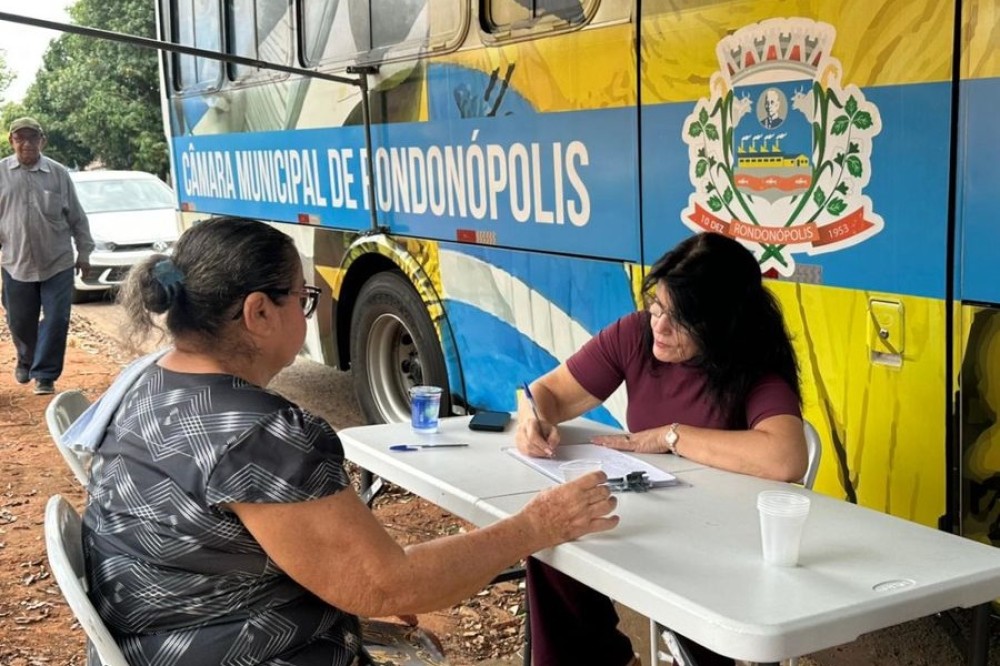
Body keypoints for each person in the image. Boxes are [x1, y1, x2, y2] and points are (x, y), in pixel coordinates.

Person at [80, 216, 619, 665]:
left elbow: (352, 574)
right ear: (258, 312)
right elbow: (388, 585)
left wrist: (363, 582)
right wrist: (536, 526)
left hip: (158, 637)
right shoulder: (263, 433)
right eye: (302, 297)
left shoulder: (147, 381)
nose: (307, 312)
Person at [515, 231, 807, 666]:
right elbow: (549, 392)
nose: (660, 325)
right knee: (553, 546)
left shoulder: (752, 366)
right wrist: (531, 415)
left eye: (679, 318)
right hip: (649, 515)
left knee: (687, 605)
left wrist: (672, 436)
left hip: (722, 542)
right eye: (657, 306)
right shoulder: (635, 336)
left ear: (719, 321)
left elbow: (785, 458)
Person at [0, 116, 93, 395]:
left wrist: (85, 252)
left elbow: (77, 217)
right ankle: (26, 359)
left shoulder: (58, 173)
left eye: (32, 138)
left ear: (43, 141)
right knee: (19, 320)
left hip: (57, 262)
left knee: (56, 319)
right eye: (20, 138)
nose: (26, 144)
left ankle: (45, 375)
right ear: (11, 141)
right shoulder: (1, 173)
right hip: (15, 263)